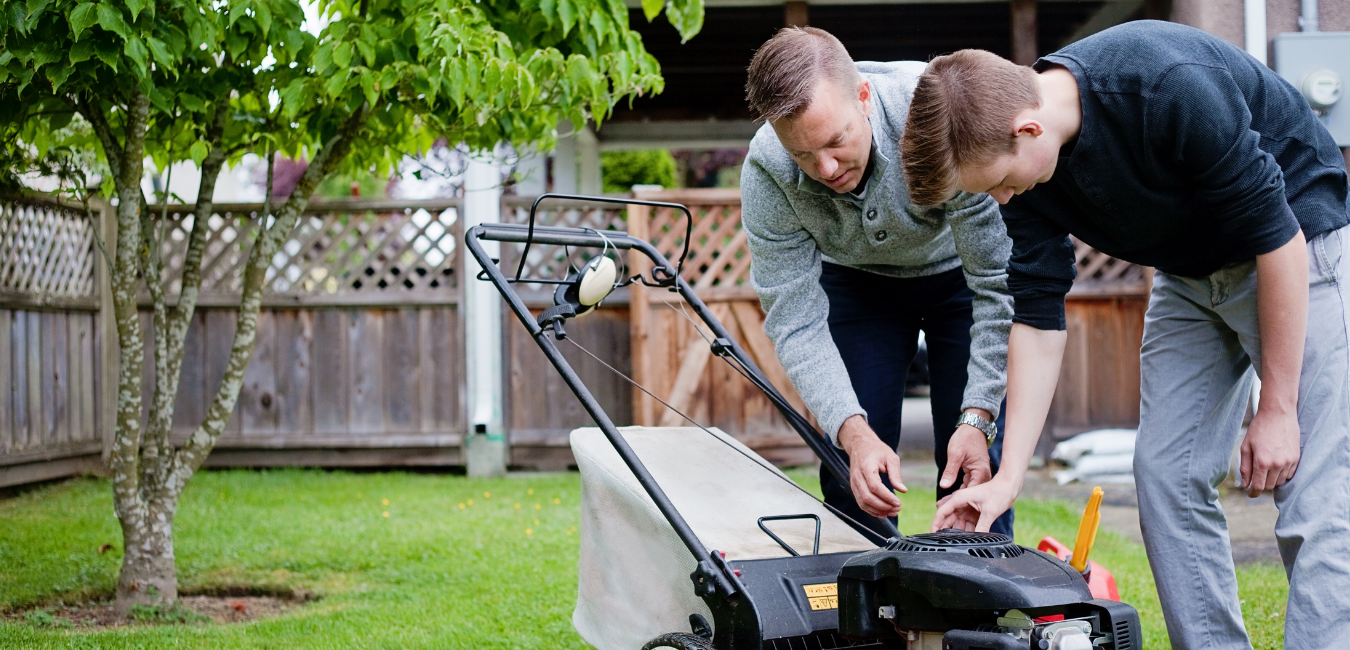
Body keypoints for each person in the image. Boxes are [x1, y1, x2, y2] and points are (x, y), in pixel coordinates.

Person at [906, 20, 1350, 649]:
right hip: (1191, 273)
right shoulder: (1029, 175)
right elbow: (1036, 315)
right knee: (1166, 475)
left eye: (999, 183)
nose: (1003, 200)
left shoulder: (1167, 86)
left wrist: (1276, 407)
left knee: (1314, 496)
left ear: (1027, 129)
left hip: (1298, 251)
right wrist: (1008, 476)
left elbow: (1278, 238)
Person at [741, 26, 1015, 539]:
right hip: (859, 286)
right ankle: (865, 613)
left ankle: (979, 605)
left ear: (863, 97)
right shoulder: (766, 170)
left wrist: (977, 416)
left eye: (835, 142)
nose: (824, 168)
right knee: (850, 470)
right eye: (802, 154)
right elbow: (795, 319)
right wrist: (852, 432)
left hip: (960, 279)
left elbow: (997, 284)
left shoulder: (938, 115)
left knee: (972, 459)